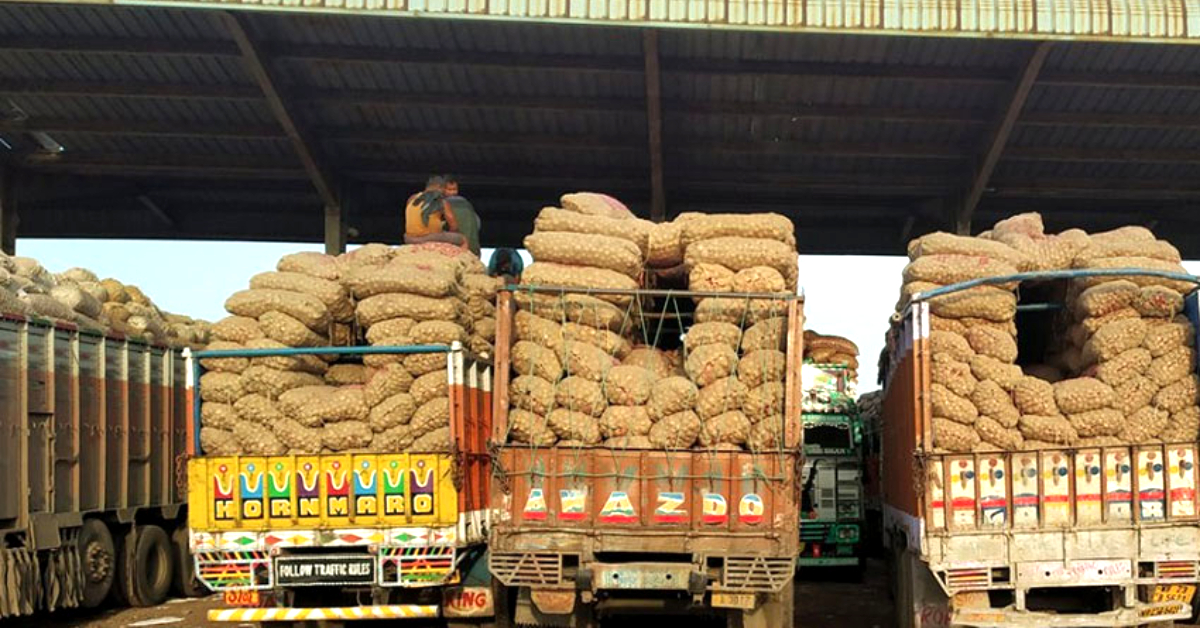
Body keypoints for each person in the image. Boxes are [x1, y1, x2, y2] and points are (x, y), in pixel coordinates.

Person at [404, 175, 469, 250]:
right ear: (439, 187)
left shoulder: (412, 198)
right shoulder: (441, 200)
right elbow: (453, 224)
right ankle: (460, 259)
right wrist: (451, 233)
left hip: (409, 239)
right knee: (463, 239)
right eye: (443, 189)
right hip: (430, 237)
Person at [442, 175, 481, 256]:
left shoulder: (442, 204)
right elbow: (477, 223)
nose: (452, 192)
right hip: (473, 250)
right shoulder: (466, 204)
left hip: (455, 250)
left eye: (454, 189)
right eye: (449, 189)